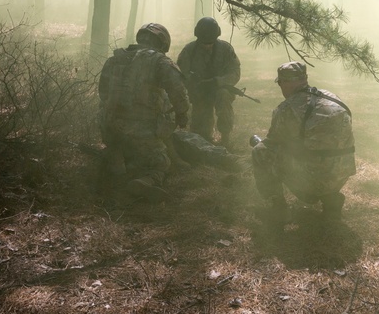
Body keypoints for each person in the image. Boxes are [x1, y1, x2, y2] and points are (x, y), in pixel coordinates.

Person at [251, 61, 355, 230]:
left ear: (284, 83)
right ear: (304, 78)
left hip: (311, 183)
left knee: (261, 151)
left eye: (280, 83)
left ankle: (278, 208)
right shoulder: (332, 97)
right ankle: (331, 201)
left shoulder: (286, 108)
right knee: (322, 156)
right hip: (341, 174)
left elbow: (272, 144)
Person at [98, 22, 190, 202]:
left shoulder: (114, 59)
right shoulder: (159, 61)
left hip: (110, 128)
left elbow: (103, 92)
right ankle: (145, 181)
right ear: (163, 43)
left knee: (124, 149)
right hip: (142, 131)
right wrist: (182, 113)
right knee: (161, 163)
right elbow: (177, 91)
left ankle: (117, 164)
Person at [176, 17, 241, 146]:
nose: (207, 46)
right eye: (204, 43)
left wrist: (217, 82)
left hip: (219, 89)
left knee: (224, 96)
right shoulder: (189, 51)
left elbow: (235, 72)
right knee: (201, 132)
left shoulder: (225, 49)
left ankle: (225, 137)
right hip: (199, 92)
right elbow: (181, 74)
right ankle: (203, 138)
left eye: (210, 42)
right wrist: (193, 81)